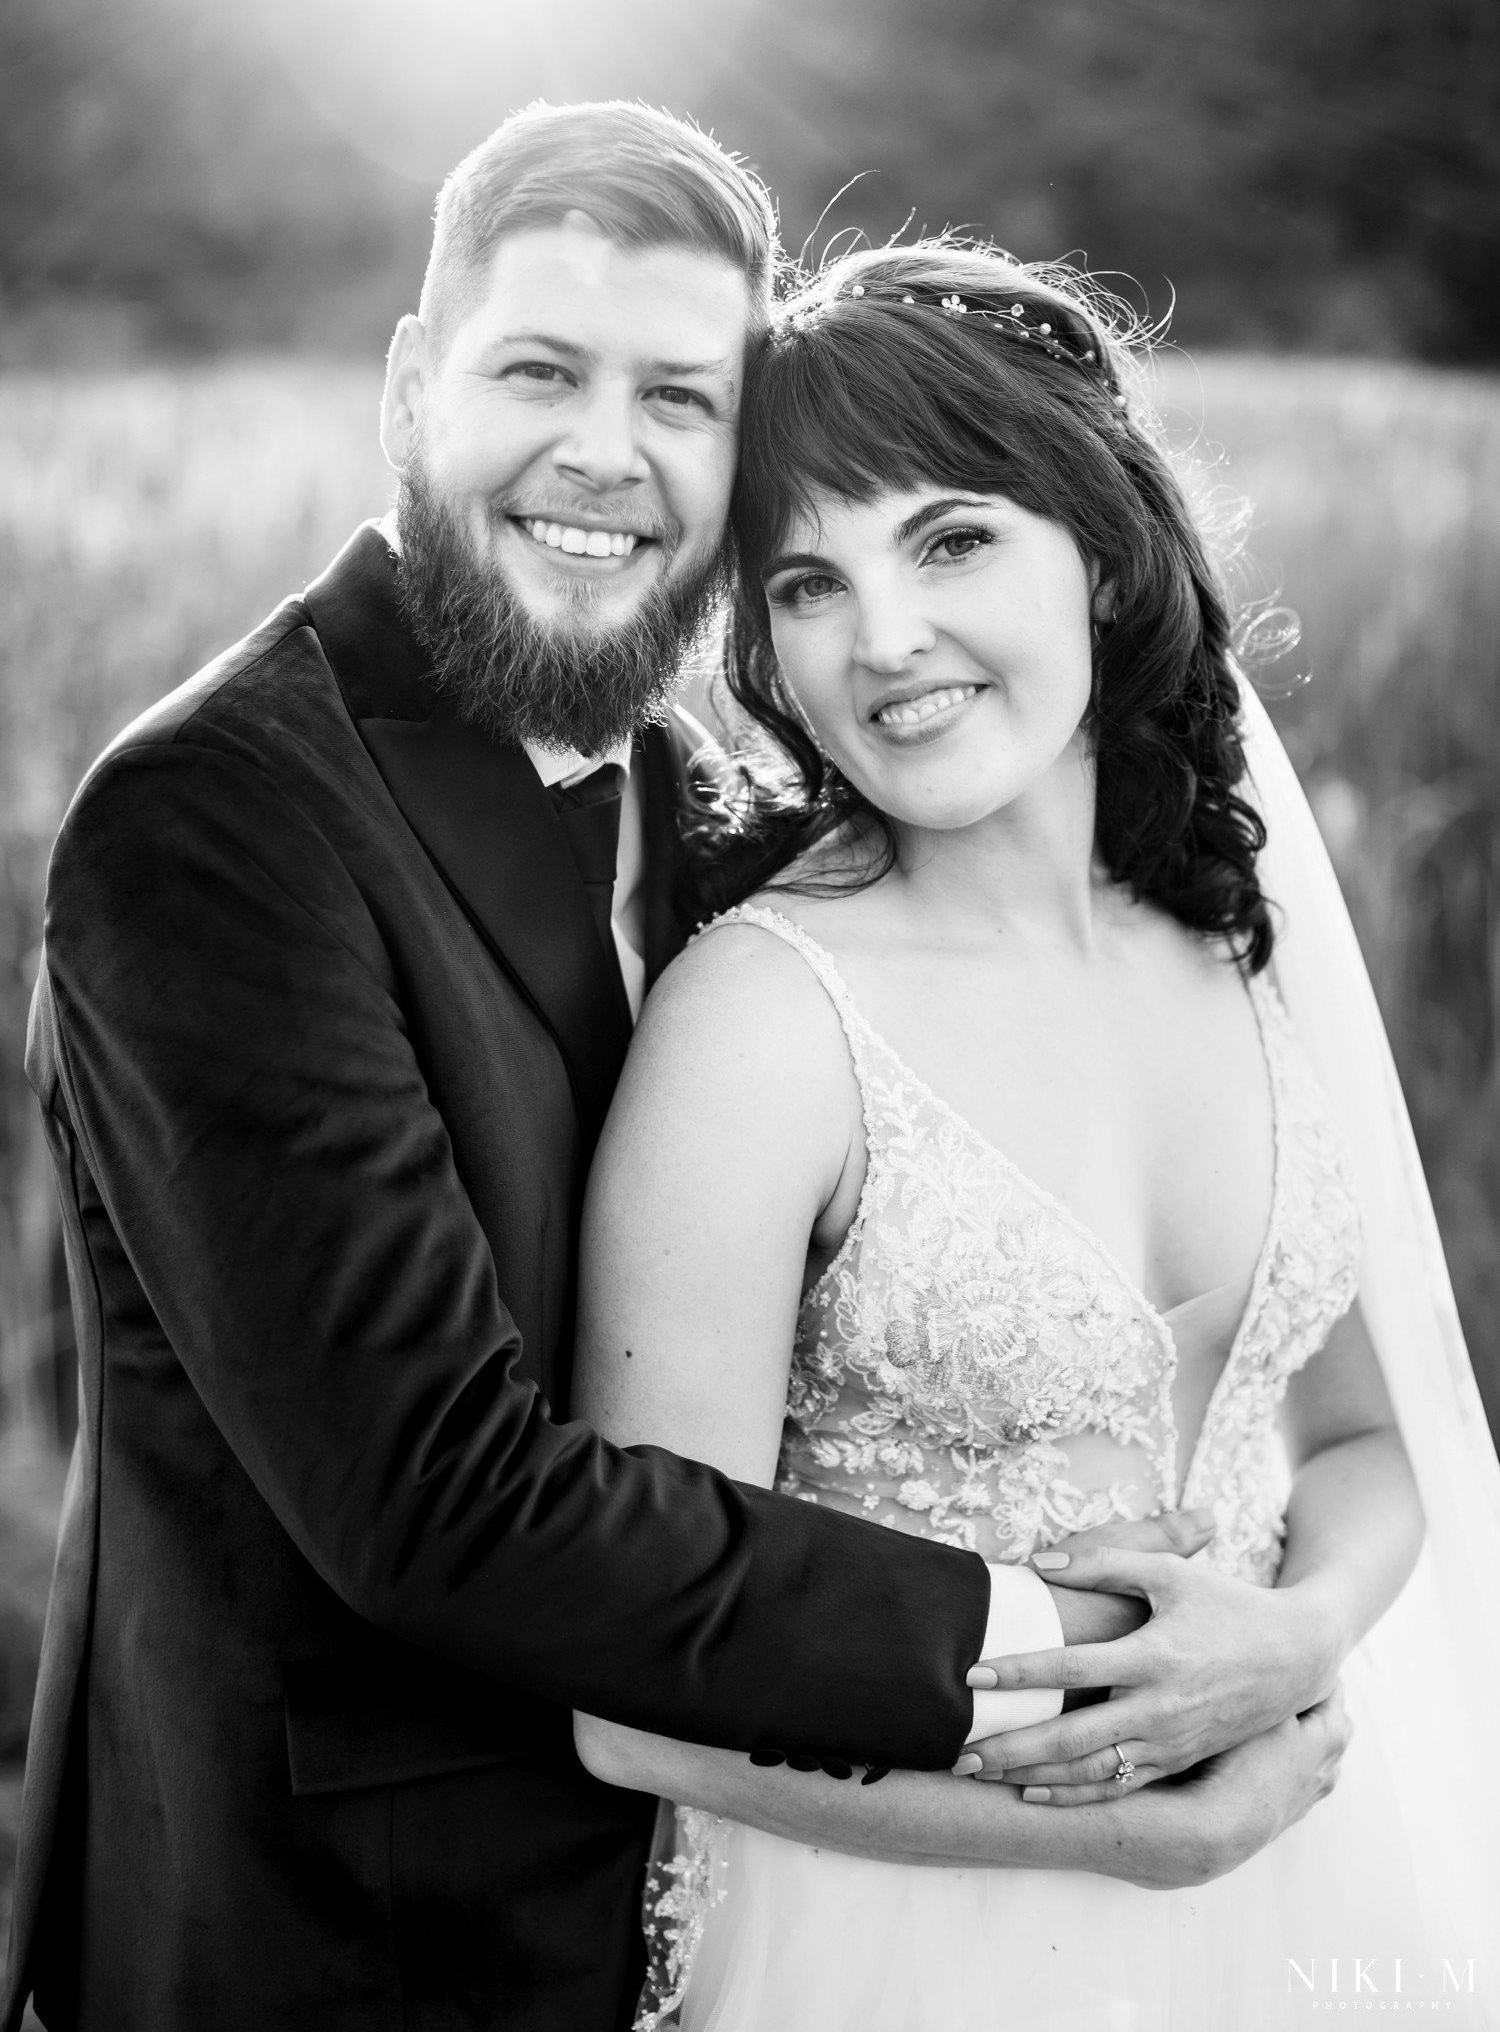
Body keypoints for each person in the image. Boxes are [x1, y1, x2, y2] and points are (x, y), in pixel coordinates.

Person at [3, 109, 1331, 2032]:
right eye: (539, 370)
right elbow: (442, 1501)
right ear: (410, 386)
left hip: (730, 1909)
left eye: (679, 399)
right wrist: (1082, 1656)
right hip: (336, 1945)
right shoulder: (215, 821)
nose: (603, 455)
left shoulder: (691, 789)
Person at [572, 242, 1500, 2028]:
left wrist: (1297, 1638)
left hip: (1313, 1859)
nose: (885, 638)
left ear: (1099, 540)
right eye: (806, 581)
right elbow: (632, 1702)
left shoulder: (1238, 941)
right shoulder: (762, 1026)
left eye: (949, 538)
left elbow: (1371, 1432)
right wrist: (1114, 1842)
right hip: (911, 1933)